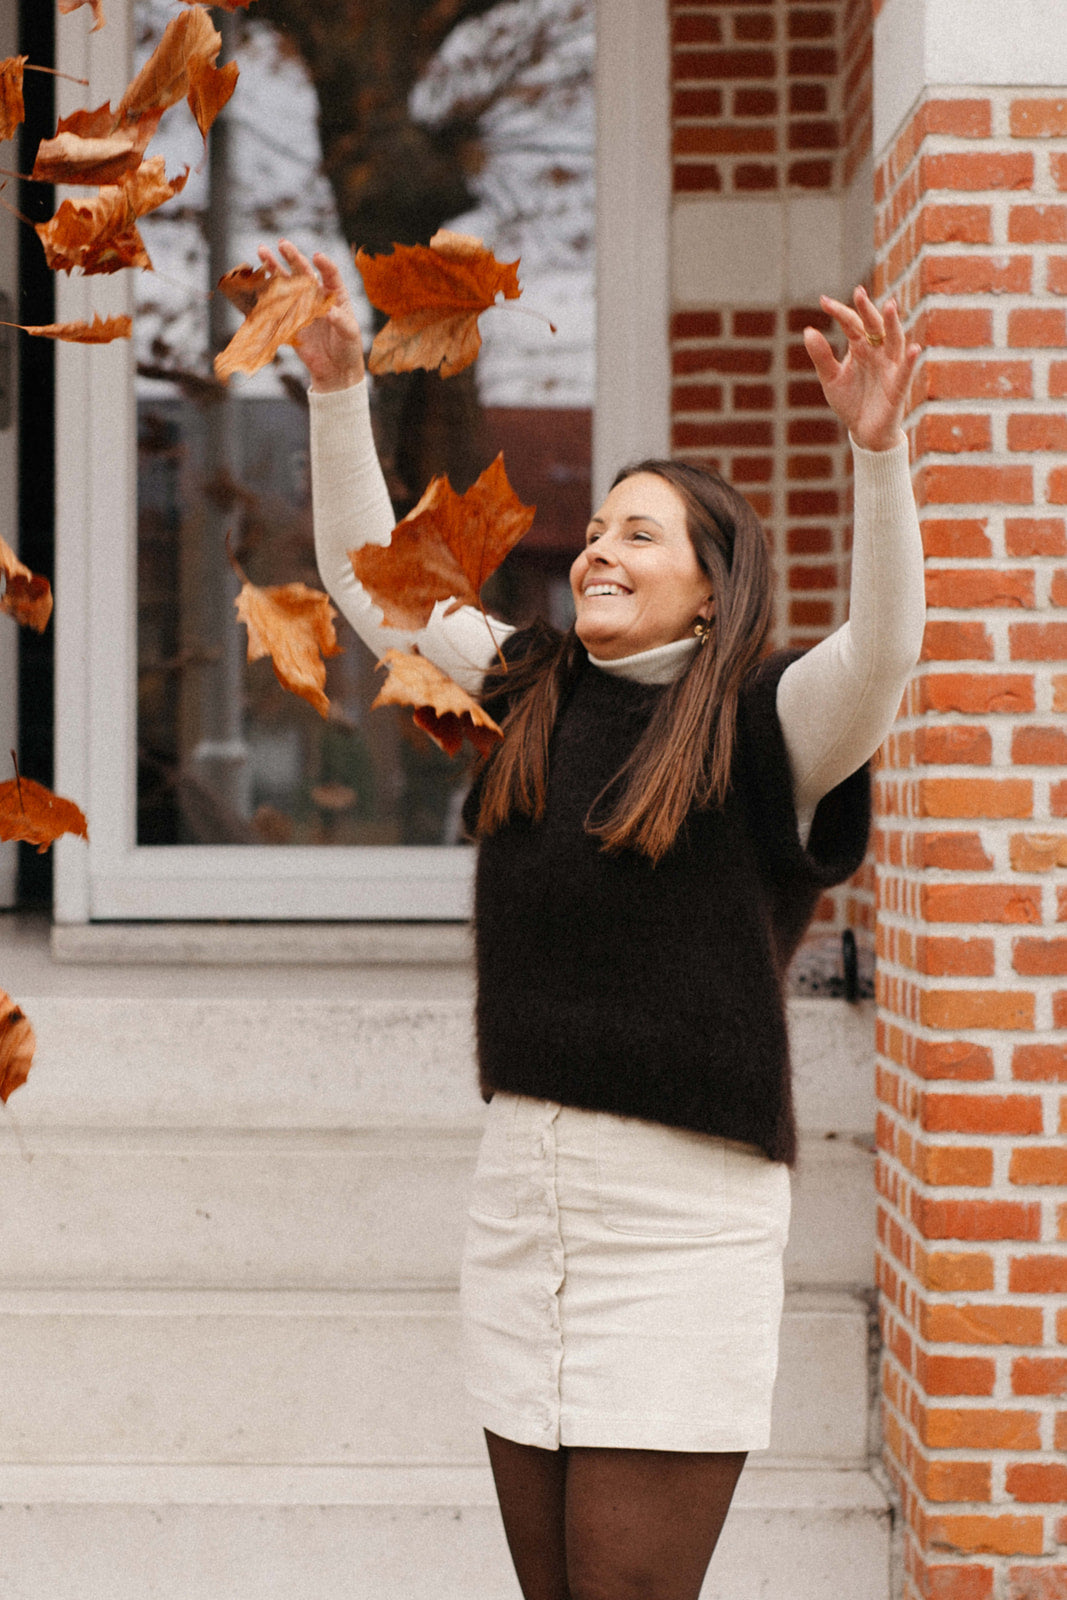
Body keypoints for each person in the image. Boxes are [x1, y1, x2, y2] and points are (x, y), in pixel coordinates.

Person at [264, 238, 925, 1600]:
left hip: (684, 1220)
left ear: (711, 582)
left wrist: (877, 457)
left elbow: (884, 656)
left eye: (643, 532)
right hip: (525, 1199)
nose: (604, 550)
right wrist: (339, 393)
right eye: (603, 527)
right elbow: (366, 579)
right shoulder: (529, 690)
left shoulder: (766, 725)